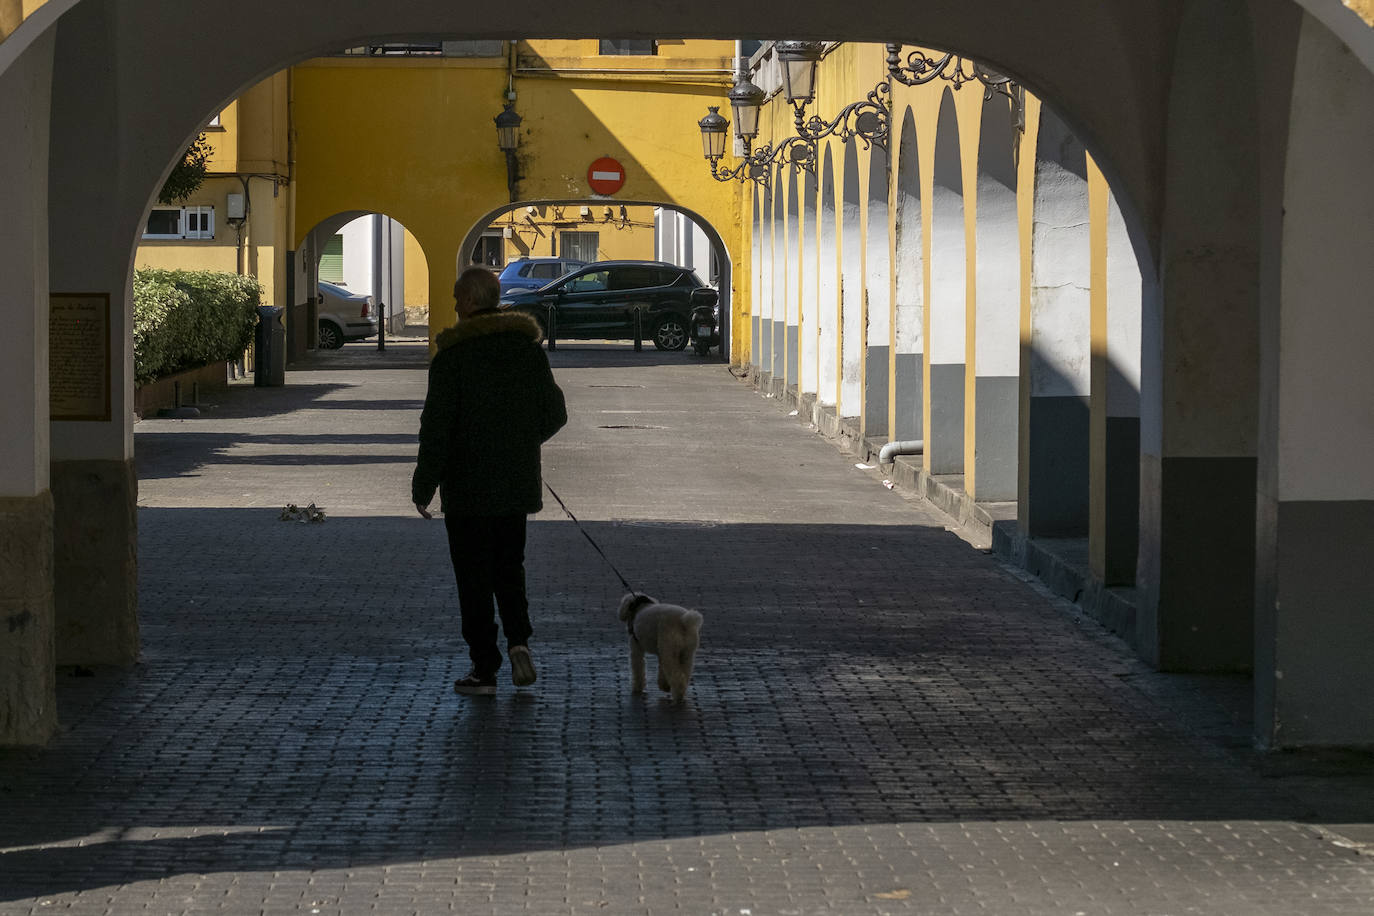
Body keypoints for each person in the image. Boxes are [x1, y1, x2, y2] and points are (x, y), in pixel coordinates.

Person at [413, 266, 567, 696]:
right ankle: (519, 641)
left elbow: (436, 428)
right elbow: (555, 413)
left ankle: (484, 669)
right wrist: (519, 442)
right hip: (514, 486)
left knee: (473, 580)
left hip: (466, 491)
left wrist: (423, 486)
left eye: (457, 298)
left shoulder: (453, 358)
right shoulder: (528, 351)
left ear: (466, 302)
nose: (455, 305)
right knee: (509, 569)